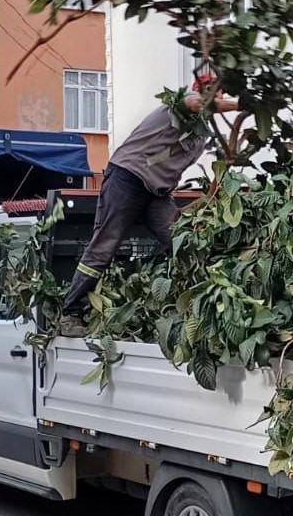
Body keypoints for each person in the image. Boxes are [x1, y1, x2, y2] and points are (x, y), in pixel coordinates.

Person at [59, 81, 240, 338]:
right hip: (127, 178)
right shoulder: (177, 107)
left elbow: (171, 161)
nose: (220, 100)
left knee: (182, 241)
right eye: (217, 95)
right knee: (105, 246)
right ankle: (70, 312)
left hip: (157, 193)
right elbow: (194, 103)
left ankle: (191, 306)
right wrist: (244, 105)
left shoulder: (200, 136)